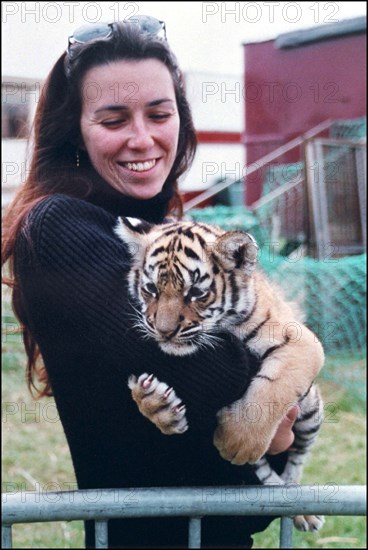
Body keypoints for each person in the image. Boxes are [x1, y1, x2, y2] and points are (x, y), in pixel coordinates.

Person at [2, 16, 300, 549]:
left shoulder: (160, 232)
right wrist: (278, 397)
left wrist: (275, 415)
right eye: (114, 119)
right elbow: (220, 387)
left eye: (159, 113)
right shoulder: (58, 228)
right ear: (75, 129)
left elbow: (272, 433)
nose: (143, 139)